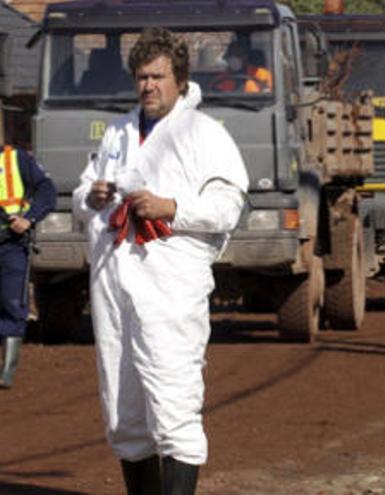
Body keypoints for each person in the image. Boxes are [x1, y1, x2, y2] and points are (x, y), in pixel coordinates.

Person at [72, 27, 248, 494]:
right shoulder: (117, 132)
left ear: (180, 79)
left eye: (157, 77)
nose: (149, 86)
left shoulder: (205, 134)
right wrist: (92, 196)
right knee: (123, 410)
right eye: (141, 78)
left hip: (169, 286)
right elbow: (80, 194)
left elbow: (229, 206)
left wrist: (172, 207)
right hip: (113, 283)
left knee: (173, 402)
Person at [0, 146, 57, 389]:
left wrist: (29, 218)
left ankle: (6, 373)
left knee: (12, 303)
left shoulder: (15, 158)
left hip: (10, 244)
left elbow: (47, 190)